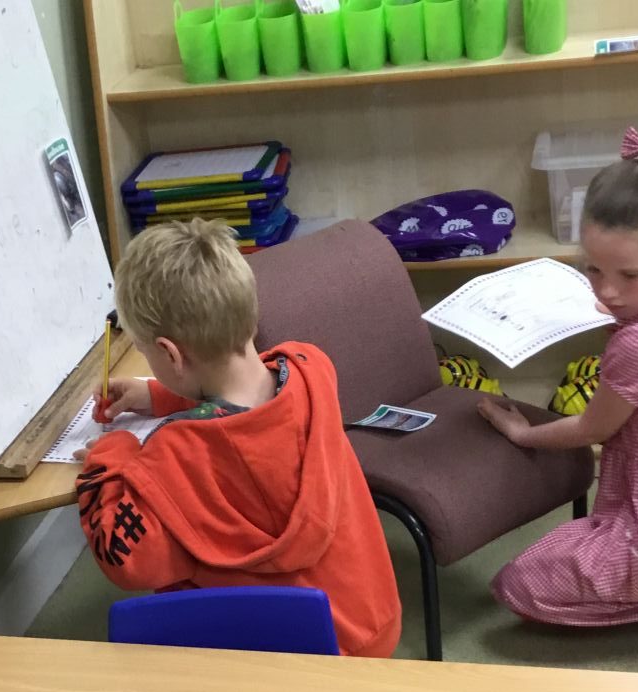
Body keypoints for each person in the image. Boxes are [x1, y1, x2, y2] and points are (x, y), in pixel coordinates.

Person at [75, 218, 401, 657]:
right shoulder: (311, 369)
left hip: (283, 660)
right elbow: (246, 402)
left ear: (170, 353)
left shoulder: (177, 455)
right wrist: (157, 395)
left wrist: (110, 454)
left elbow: (127, 561)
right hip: (371, 624)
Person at [477, 126, 638, 654]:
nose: (606, 291)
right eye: (592, 269)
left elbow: (592, 428)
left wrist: (523, 433)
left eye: (628, 276)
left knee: (519, 584)